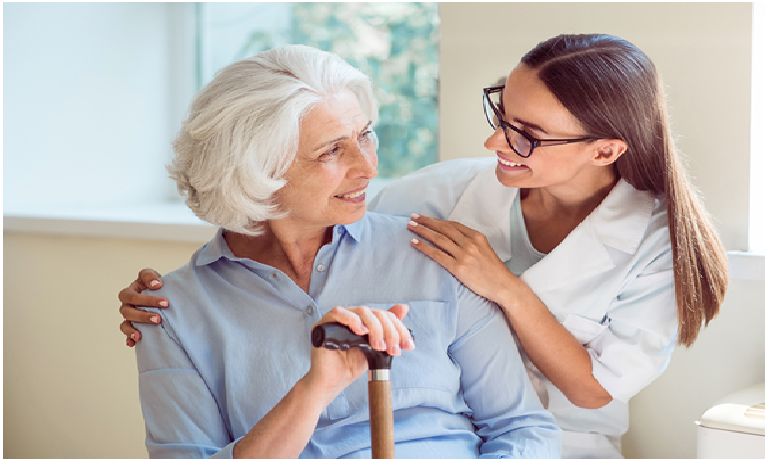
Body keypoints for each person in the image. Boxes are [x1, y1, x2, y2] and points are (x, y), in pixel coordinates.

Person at [120, 34, 729, 458]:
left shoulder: (652, 242)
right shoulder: (435, 201)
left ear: (604, 150)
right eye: (501, 114)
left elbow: (580, 395)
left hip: (561, 440)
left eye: (528, 135)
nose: (496, 142)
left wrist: (504, 287)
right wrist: (179, 298)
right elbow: (276, 218)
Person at [128, 44, 561, 458]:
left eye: (364, 135)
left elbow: (522, 428)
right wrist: (313, 390)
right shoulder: (170, 312)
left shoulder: (435, 255)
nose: (368, 166)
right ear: (256, 171)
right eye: (332, 150)